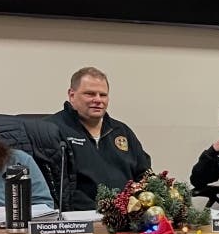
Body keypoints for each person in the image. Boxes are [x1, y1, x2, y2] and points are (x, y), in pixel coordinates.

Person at [48, 67, 151, 209]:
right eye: (90, 94)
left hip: (127, 217)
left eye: (103, 95)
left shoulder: (121, 131)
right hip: (80, 220)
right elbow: (57, 188)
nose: (97, 100)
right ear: (71, 95)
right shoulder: (52, 130)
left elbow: (144, 173)